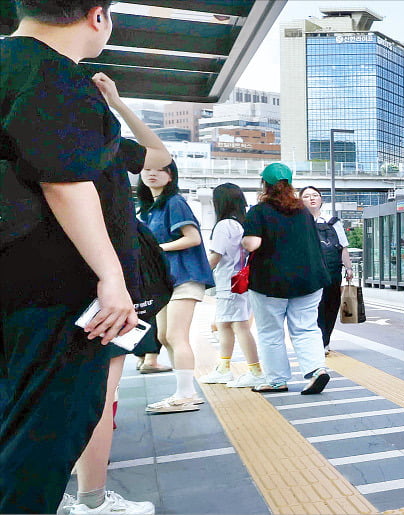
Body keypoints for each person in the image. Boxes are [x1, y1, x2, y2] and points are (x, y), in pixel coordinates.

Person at [0, 1, 171, 512]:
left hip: (18, 290)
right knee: (46, 433)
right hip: (55, 296)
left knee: (19, 420)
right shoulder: (53, 75)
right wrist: (111, 277)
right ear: (98, 16)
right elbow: (65, 183)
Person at [243, 164, 332, 394]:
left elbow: (252, 244)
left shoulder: (258, 211)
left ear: (265, 184)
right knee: (306, 328)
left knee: (271, 332)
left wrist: (244, 241)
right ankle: (316, 371)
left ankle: (277, 380)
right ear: (290, 184)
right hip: (309, 280)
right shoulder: (303, 211)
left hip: (270, 282)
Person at [137, 160, 215, 413]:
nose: (151, 173)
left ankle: (186, 394)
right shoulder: (149, 208)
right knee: (162, 336)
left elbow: (192, 238)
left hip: (184, 276)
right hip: (166, 281)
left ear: (171, 176)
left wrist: (156, 249)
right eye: (147, 169)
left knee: (175, 335)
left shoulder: (175, 203)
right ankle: (183, 391)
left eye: (159, 169)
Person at [200, 183, 264, 388]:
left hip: (229, 283)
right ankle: (223, 368)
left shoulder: (224, 225)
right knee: (225, 325)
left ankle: (255, 371)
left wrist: (198, 276)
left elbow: (216, 256)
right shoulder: (241, 224)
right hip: (239, 281)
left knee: (239, 326)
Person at [300, 186, 353, 354]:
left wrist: (349, 268)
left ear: (321, 199)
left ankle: (325, 341)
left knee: (331, 306)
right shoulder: (298, 222)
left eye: (315, 195)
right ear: (300, 201)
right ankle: (316, 342)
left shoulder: (333, 222)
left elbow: (343, 247)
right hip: (309, 273)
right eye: (307, 196)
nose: (312, 198)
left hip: (332, 272)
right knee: (313, 307)